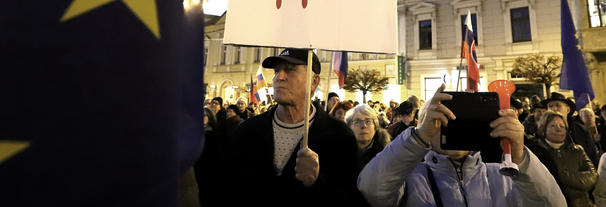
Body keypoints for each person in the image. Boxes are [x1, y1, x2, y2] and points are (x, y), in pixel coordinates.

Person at [357, 84, 566, 207]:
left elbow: (553, 204)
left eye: (460, 119)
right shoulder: (410, 178)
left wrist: (520, 157)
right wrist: (418, 137)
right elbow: (371, 190)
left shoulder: (503, 176)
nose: (451, 126)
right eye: (441, 120)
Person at [222, 48, 367, 205]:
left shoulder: (339, 135)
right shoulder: (247, 131)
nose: (279, 77)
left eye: (290, 70)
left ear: (314, 82)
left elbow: (354, 199)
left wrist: (318, 181)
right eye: (277, 70)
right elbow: (224, 189)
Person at [534, 111, 597, 207]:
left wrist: (559, 175)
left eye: (562, 126)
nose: (558, 129)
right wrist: (576, 179)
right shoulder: (536, 152)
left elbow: (592, 178)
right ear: (543, 129)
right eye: (553, 125)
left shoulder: (577, 151)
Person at [543, 92, 600, 167]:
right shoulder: (542, 130)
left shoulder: (580, 130)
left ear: (568, 110)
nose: (554, 109)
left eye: (558, 105)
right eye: (550, 106)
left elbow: (593, 156)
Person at [194, 107, 222, 207]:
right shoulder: (197, 134)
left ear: (210, 118)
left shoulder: (212, 136)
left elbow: (213, 159)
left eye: (204, 115)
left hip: (207, 176)